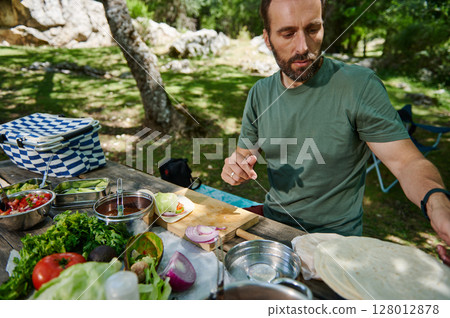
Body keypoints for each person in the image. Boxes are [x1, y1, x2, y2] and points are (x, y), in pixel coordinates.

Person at [221, 0, 450, 264]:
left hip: (336, 245)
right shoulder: (260, 94)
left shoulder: (358, 86)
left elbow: (408, 162)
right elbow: (243, 157)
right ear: (268, 39)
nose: (303, 47)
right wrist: (235, 168)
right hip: (274, 229)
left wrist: (437, 203)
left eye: (313, 29)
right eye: (287, 33)